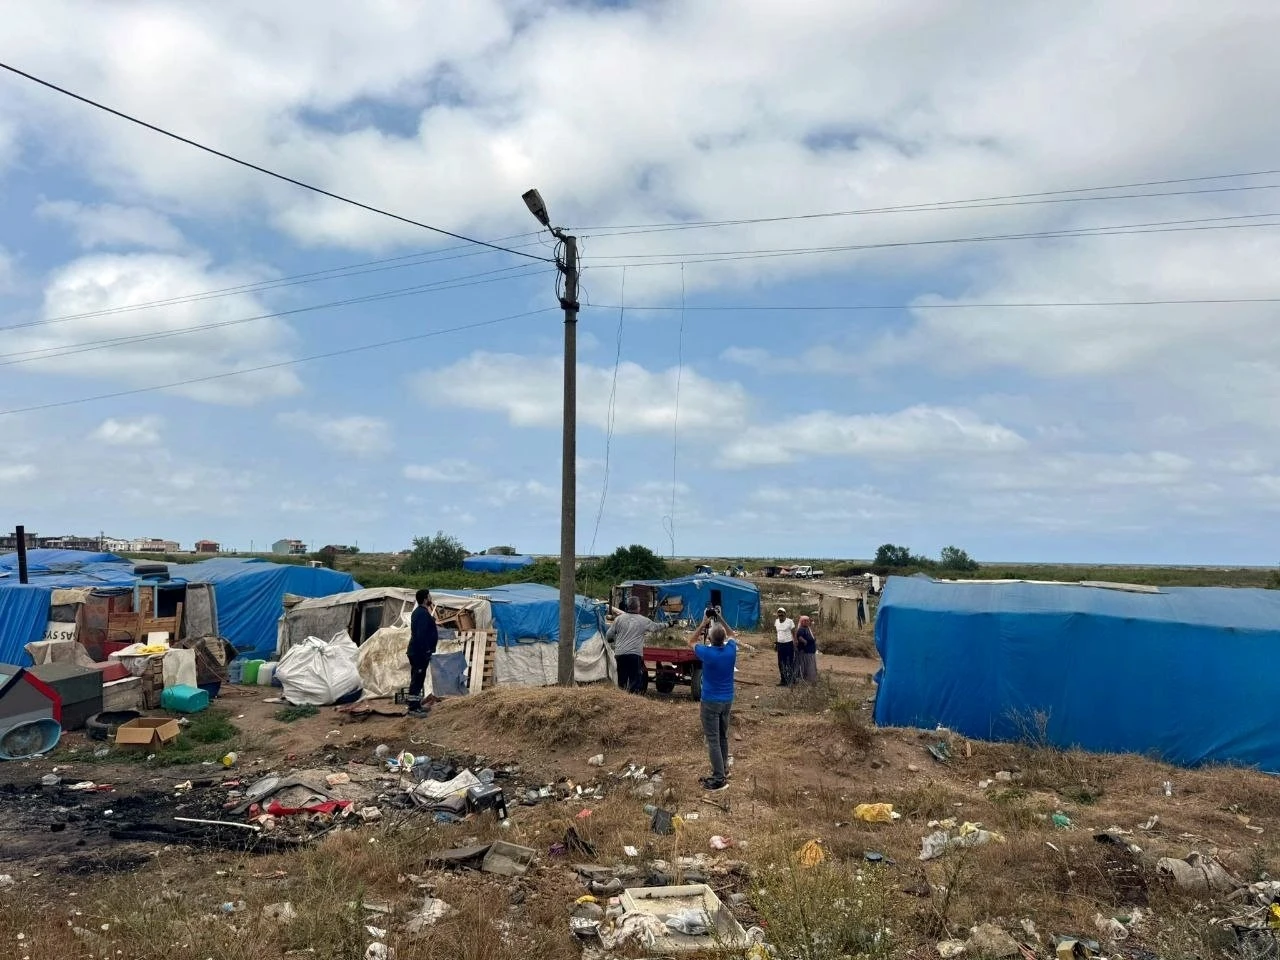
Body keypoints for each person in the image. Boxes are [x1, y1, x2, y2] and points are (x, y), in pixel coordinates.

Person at [690, 616, 736, 791]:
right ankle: (723, 769)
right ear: (723, 638)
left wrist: (703, 622)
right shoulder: (731, 650)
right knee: (723, 736)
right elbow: (732, 635)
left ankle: (718, 778)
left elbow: (691, 641)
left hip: (710, 701)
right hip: (727, 700)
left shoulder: (707, 653)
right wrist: (721, 619)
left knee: (713, 740)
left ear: (709, 638)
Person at [605, 596, 662, 694]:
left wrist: (611, 640)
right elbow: (656, 627)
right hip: (634, 655)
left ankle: (621, 697)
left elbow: (609, 635)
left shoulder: (618, 619)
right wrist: (669, 624)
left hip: (620, 654)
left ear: (628, 606)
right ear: (638, 607)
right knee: (634, 680)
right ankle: (633, 698)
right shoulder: (643, 620)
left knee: (621, 679)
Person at [407, 588, 438, 716]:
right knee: (417, 680)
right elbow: (421, 635)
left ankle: (416, 705)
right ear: (425, 599)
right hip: (419, 653)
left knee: (418, 679)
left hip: (418, 652)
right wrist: (426, 650)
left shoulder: (420, 612)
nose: (431, 598)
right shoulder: (422, 614)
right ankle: (413, 708)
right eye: (429, 596)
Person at [774, 607, 797, 686]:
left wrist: (795, 642)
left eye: (782, 613)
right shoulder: (776, 621)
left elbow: (794, 633)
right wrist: (776, 643)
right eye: (779, 614)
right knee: (780, 663)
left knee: (789, 662)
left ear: (785, 614)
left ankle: (791, 680)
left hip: (788, 644)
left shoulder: (789, 621)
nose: (780, 615)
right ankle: (783, 680)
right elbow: (777, 633)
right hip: (780, 644)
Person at [795, 614, 818, 683]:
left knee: (809, 665)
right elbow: (799, 637)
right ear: (801, 622)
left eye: (807, 621)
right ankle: (803, 678)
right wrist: (805, 641)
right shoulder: (801, 629)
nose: (806, 622)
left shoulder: (808, 628)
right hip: (805, 651)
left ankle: (809, 678)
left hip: (810, 650)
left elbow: (812, 636)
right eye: (804, 621)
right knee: (805, 665)